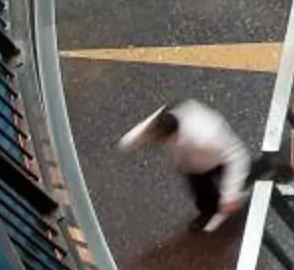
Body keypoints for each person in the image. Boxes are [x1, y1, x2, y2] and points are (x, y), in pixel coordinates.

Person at [118, 99, 282, 233]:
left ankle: (268, 165)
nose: (156, 141)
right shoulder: (166, 118)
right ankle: (209, 211)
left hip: (217, 159)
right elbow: (146, 129)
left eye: (159, 138)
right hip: (192, 164)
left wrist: (230, 197)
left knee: (240, 177)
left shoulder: (206, 137)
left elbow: (236, 156)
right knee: (202, 194)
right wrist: (129, 141)